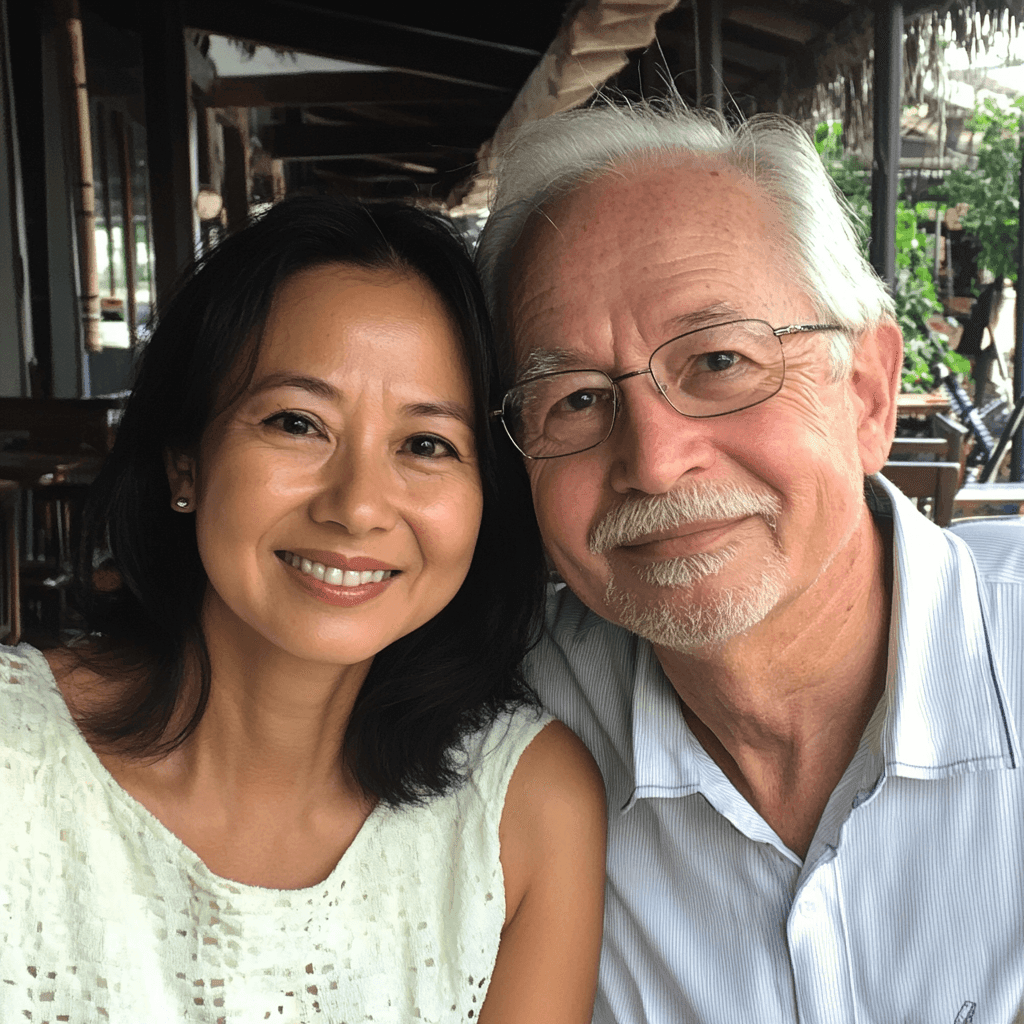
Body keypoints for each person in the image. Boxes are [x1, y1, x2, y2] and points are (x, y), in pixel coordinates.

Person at [476, 101, 1024, 1023]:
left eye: (720, 361)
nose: (653, 460)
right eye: (571, 399)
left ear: (866, 395)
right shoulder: (500, 730)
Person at [0, 196, 606, 1022]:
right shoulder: (17, 770)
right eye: (296, 422)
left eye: (426, 444)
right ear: (186, 463)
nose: (359, 507)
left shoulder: (521, 814)